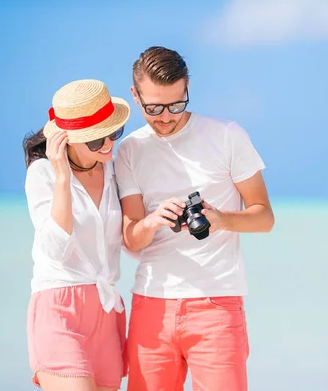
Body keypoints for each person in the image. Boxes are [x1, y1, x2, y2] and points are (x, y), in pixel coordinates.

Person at [113, 46, 275, 391]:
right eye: (153, 107)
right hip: (151, 305)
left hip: (217, 305)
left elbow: (264, 217)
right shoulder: (129, 150)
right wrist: (154, 220)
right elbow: (130, 240)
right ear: (135, 95)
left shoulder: (227, 135)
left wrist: (222, 220)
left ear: (187, 89)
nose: (166, 117)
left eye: (176, 104)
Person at [22, 79, 131, 391]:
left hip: (107, 313)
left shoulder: (115, 169)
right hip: (60, 308)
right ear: (66, 140)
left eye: (113, 133)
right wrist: (61, 177)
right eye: (96, 140)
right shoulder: (42, 174)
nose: (108, 144)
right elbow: (55, 248)